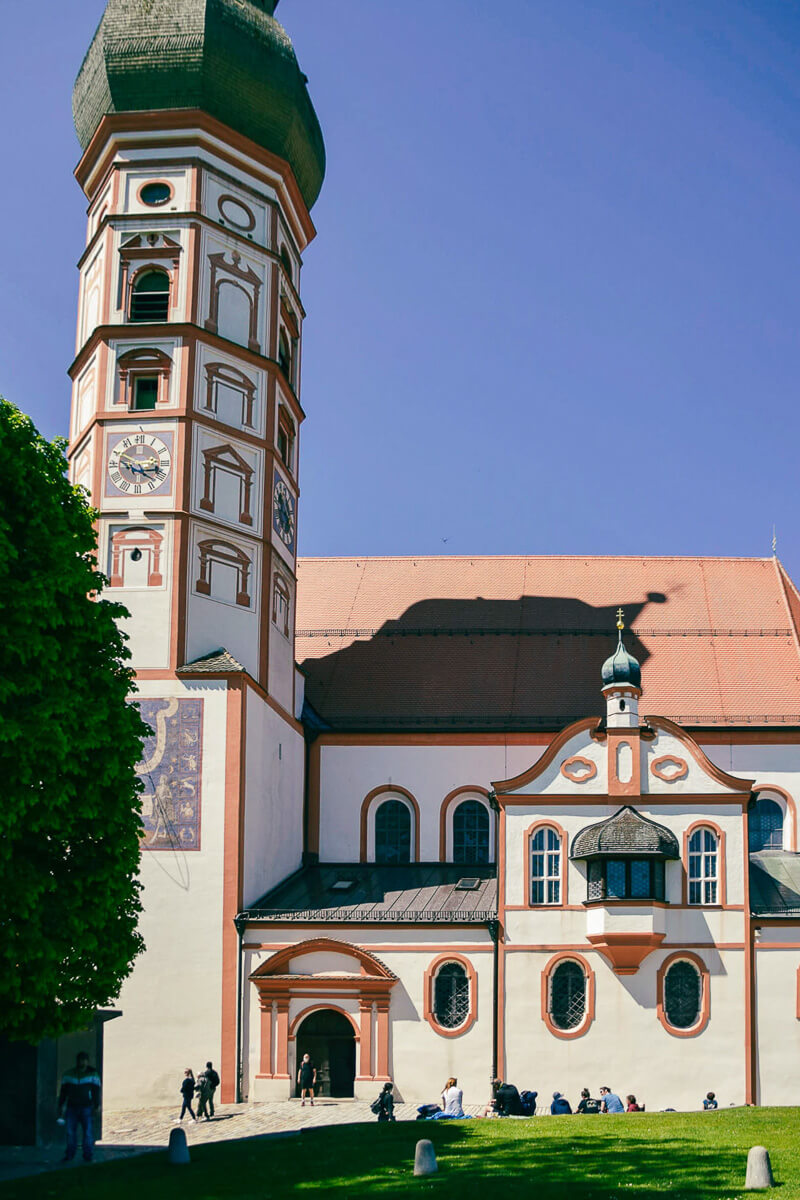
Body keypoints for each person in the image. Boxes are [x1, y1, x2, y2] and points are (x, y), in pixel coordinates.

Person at [58, 1052, 101, 1164]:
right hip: (71, 1107)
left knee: (87, 1132)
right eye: (80, 1060)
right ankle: (69, 1155)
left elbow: (96, 1092)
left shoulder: (93, 1074)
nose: (82, 1062)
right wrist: (61, 1105)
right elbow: (63, 1092)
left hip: (86, 1107)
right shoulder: (68, 1074)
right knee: (70, 1132)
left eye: (84, 1060)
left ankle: (88, 1155)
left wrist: (97, 1105)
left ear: (87, 1061)